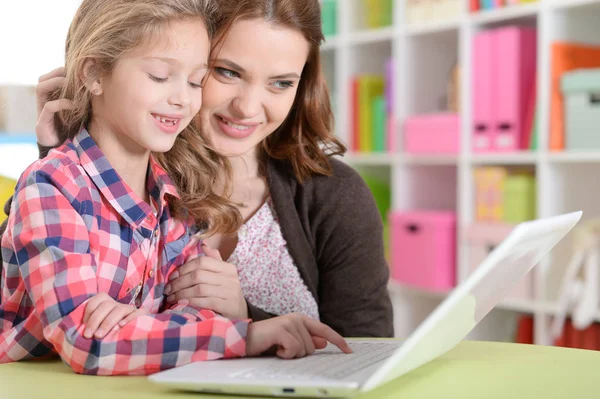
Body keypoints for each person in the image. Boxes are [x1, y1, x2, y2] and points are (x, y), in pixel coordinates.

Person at [2, 0, 394, 339]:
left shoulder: (332, 193)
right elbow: (45, 310)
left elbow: (365, 348)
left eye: (280, 83)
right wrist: (62, 151)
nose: (247, 107)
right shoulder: (134, 180)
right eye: (226, 72)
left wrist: (244, 317)